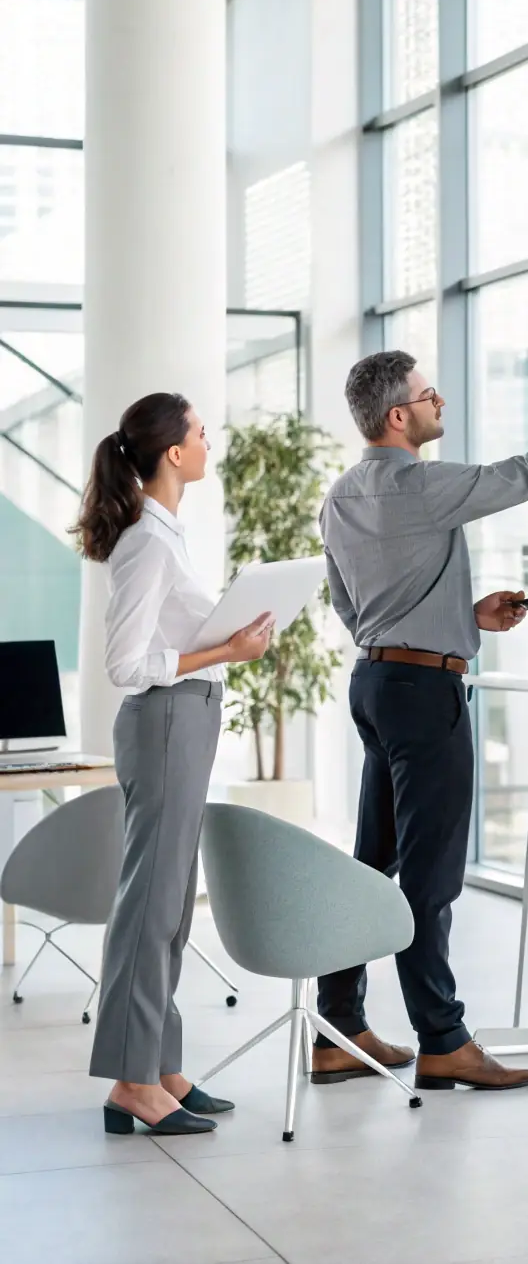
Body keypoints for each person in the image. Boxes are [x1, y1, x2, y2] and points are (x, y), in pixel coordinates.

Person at [315, 350, 528, 1091]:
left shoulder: (339, 496)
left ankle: (339, 1027)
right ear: (398, 416)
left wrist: (458, 618)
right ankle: (443, 1038)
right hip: (425, 695)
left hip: (374, 681)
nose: (441, 401)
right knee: (429, 878)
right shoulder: (423, 485)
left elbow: (351, 604)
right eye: (429, 395)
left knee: (375, 862)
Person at [74, 393, 274, 1135]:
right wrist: (227, 649)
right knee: (150, 905)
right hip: (164, 721)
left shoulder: (166, 534)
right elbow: (126, 663)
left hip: (186, 719)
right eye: (199, 431)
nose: (208, 439)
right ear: (174, 453)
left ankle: (160, 1063)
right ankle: (132, 1079)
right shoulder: (148, 544)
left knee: (170, 903)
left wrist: (229, 639)